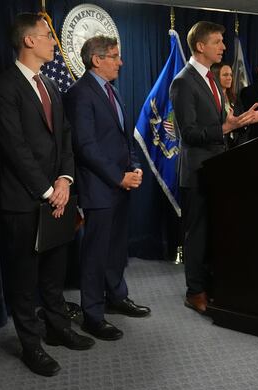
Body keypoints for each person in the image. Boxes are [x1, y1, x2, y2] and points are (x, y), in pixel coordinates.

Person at [0, 13, 94, 377]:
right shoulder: (4, 86)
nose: (54, 41)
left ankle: (58, 328)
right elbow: (14, 147)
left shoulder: (50, 84)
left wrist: (64, 180)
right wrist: (49, 189)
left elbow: (64, 135)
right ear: (29, 41)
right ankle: (31, 346)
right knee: (24, 278)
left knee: (54, 271)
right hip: (24, 201)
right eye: (48, 35)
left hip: (58, 197)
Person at [169, 21, 258, 315]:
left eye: (224, 42)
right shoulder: (183, 82)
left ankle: (211, 282)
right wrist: (226, 126)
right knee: (197, 235)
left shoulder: (211, 80)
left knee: (215, 230)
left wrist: (238, 124)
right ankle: (194, 291)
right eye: (217, 41)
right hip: (198, 171)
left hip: (218, 169)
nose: (223, 47)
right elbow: (188, 133)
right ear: (201, 46)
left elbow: (220, 125)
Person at [64, 35, 151, 341]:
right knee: (95, 253)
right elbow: (86, 147)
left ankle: (116, 297)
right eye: (114, 56)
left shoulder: (111, 90)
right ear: (97, 60)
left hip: (121, 183)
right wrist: (118, 177)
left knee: (116, 248)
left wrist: (134, 165)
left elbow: (123, 138)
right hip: (99, 187)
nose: (121, 62)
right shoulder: (79, 93)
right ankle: (93, 315)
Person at [211, 62, 247, 146]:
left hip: (236, 145)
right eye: (225, 75)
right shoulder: (210, 99)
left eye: (231, 75)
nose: (229, 78)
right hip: (219, 146)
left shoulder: (235, 98)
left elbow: (241, 121)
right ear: (215, 76)